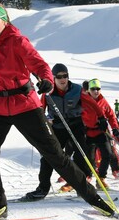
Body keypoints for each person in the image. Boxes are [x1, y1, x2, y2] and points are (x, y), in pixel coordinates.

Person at [0, 1, 115, 220]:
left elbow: (39, 66)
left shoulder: (18, 42)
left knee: (56, 155)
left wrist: (47, 81)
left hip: (25, 104)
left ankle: (94, 199)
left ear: (5, 20)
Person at [24, 63, 106, 198]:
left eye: (65, 76)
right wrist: (40, 124)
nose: (63, 79)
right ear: (54, 78)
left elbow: (92, 103)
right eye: (59, 77)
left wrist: (102, 118)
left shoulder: (77, 90)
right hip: (58, 127)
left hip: (75, 125)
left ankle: (80, 184)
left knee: (82, 154)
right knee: (49, 156)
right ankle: (42, 188)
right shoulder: (48, 92)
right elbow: (40, 109)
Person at [82, 78, 119, 189]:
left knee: (107, 154)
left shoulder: (103, 101)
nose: (96, 91)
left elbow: (111, 115)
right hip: (88, 133)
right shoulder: (83, 100)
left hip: (101, 132)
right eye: (93, 89)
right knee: (89, 158)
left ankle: (101, 179)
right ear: (88, 90)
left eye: (98, 89)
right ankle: (86, 178)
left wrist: (115, 127)